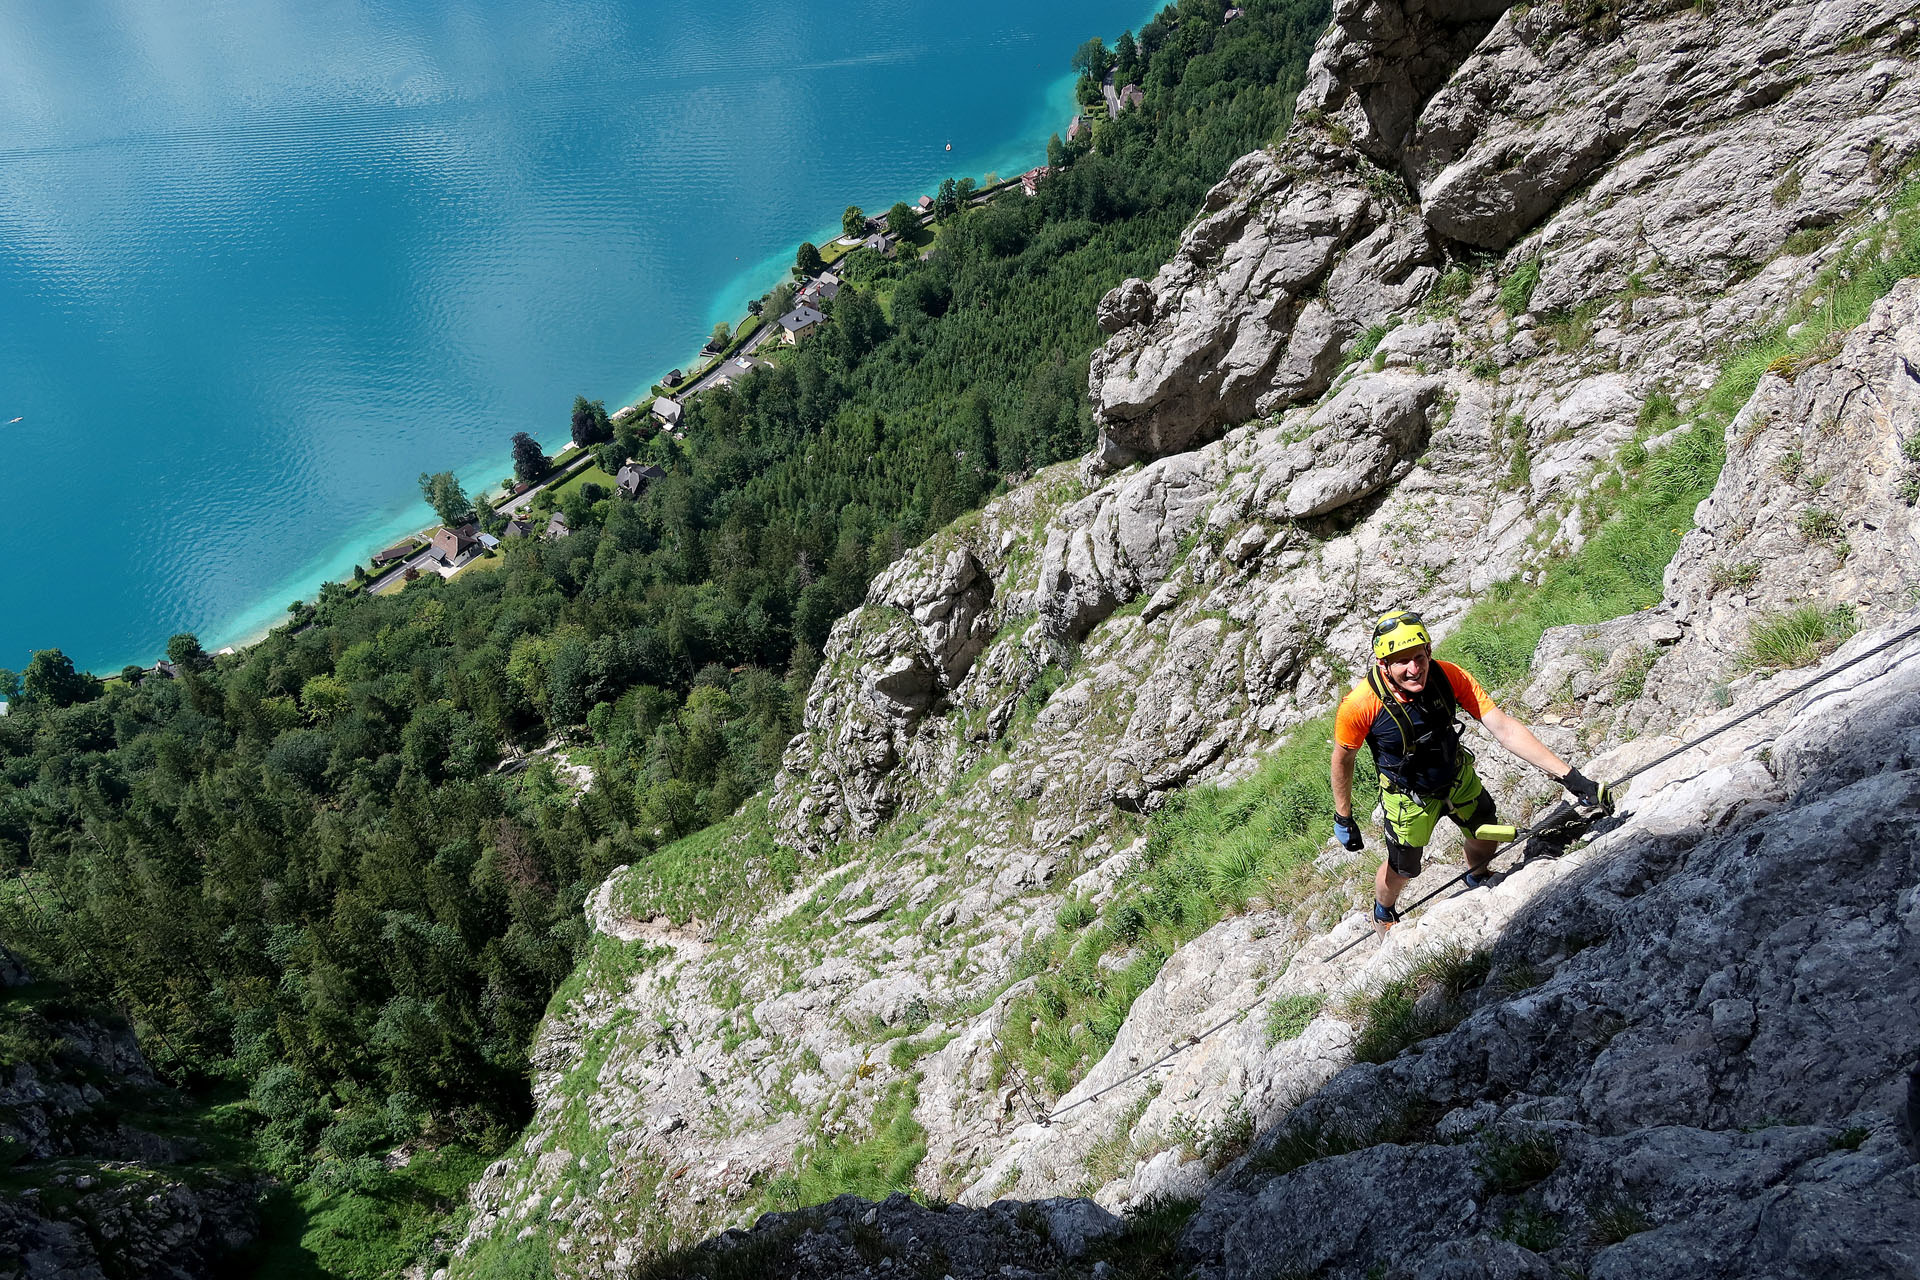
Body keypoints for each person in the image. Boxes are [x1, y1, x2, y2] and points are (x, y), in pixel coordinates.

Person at [1330, 609, 1610, 931]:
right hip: (1408, 796)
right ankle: (1383, 911)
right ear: (1383, 664)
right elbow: (1343, 759)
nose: (1414, 669)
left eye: (1419, 657)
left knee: (1484, 829)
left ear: (1429, 652)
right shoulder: (1360, 705)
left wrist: (1570, 777)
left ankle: (1478, 874)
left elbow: (1504, 728)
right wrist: (1344, 816)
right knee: (1404, 867)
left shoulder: (1449, 677)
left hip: (1455, 776)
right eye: (1402, 661)